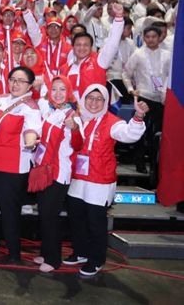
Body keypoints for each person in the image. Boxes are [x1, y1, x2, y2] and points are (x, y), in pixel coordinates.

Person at [64, 84, 148, 277]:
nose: (94, 103)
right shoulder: (77, 119)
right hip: (78, 177)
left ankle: (96, 260)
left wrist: (138, 117)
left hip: (99, 180)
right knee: (76, 218)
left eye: (99, 99)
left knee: (96, 222)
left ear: (105, 102)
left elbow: (129, 134)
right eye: (90, 98)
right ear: (84, 99)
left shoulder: (112, 122)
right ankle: (81, 252)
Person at [0, 66, 42, 262]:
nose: (15, 84)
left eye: (21, 81)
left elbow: (32, 130)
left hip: (12, 168)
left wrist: (31, 141)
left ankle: (14, 250)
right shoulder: (0, 98)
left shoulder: (31, 107)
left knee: (9, 210)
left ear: (30, 85)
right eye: (13, 79)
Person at [33, 75, 79, 273]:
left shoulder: (72, 115)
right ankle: (46, 251)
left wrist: (75, 129)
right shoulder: (51, 111)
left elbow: (79, 144)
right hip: (44, 170)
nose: (58, 94)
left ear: (68, 92)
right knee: (44, 214)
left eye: (62, 90)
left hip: (59, 173)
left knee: (50, 216)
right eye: (54, 89)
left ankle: (53, 259)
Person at [122, 25, 171, 174]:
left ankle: (156, 165)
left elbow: (171, 76)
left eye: (153, 37)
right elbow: (126, 74)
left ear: (160, 37)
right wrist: (131, 90)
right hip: (144, 96)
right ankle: (139, 162)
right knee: (141, 131)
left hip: (162, 99)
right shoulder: (138, 54)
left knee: (158, 134)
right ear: (144, 38)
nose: (150, 40)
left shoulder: (168, 55)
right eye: (147, 37)